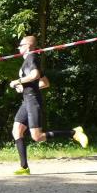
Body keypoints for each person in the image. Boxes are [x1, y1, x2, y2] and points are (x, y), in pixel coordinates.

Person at [10, 35, 89, 175]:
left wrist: (18, 81)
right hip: (26, 101)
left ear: (28, 46)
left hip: (33, 101)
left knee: (37, 137)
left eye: (21, 45)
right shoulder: (27, 61)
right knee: (17, 131)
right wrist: (23, 88)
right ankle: (24, 167)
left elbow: (35, 75)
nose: (18, 47)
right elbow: (45, 83)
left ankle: (74, 133)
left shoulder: (32, 58)